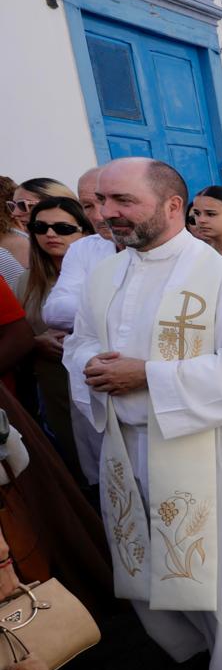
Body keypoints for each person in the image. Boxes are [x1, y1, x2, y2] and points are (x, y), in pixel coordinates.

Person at [64, 156, 222, 670]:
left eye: (123, 201)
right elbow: (79, 344)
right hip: (129, 444)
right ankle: (191, 646)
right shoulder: (104, 275)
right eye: (100, 202)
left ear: (172, 206)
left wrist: (148, 375)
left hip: (205, 445)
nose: (107, 213)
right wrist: (92, 366)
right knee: (151, 559)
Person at [19, 197, 90, 478]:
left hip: (94, 384)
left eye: (62, 228)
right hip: (54, 389)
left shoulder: (106, 273)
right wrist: (36, 343)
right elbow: (20, 332)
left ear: (84, 232)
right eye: (40, 226)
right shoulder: (28, 280)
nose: (50, 234)